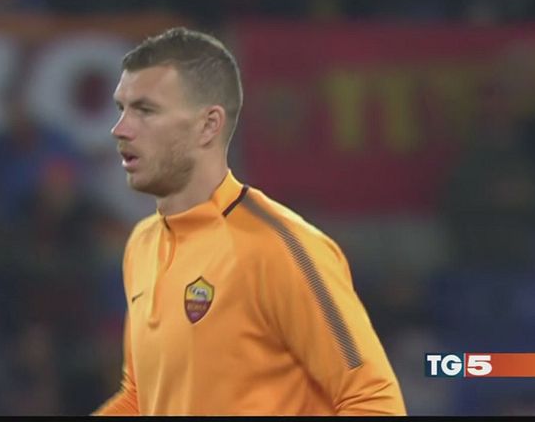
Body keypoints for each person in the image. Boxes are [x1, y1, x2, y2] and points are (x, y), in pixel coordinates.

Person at [94, 27, 405, 416]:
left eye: (145, 110)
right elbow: (141, 399)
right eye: (121, 109)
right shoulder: (142, 245)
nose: (120, 129)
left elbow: (373, 400)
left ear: (208, 125)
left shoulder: (281, 248)